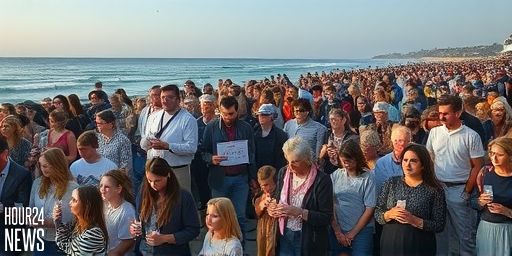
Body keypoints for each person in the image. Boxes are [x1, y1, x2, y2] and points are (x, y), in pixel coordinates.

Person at [426, 95, 485, 255]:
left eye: (446, 113)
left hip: (459, 190)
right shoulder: (434, 133)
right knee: (441, 234)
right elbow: (430, 160)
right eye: (440, 113)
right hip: (438, 189)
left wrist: (466, 192)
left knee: (465, 236)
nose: (441, 117)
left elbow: (477, 166)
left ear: (458, 113)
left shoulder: (471, 136)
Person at [201, 96, 256, 245]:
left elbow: (251, 154)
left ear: (237, 112)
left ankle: (240, 249)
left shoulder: (246, 128)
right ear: (220, 111)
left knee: (240, 217)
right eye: (224, 113)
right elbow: (203, 151)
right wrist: (211, 159)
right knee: (216, 217)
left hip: (240, 179)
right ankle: (217, 249)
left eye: (231, 114)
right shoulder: (211, 127)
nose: (227, 117)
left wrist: (252, 178)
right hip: (219, 179)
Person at [375, 143, 446, 256]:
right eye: (405, 160)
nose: (407, 165)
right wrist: (388, 214)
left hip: (419, 244)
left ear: (423, 164)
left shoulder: (434, 190)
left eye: (413, 161)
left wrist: (414, 220)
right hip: (391, 242)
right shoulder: (391, 183)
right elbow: (378, 212)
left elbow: (439, 225)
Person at [267, 136, 333, 255]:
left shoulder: (322, 180)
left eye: (295, 161)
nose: (290, 166)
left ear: (307, 159)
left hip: (309, 240)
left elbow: (326, 217)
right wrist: (272, 207)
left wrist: (299, 212)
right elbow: (277, 198)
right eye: (288, 161)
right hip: (284, 234)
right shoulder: (283, 172)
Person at [129, 157, 200, 255]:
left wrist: (165, 239)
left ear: (168, 175)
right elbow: (139, 221)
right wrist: (135, 229)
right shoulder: (143, 193)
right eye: (149, 180)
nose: (153, 184)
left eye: (157, 180)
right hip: (145, 251)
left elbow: (193, 230)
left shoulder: (183, 197)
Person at [140, 84, 198, 192]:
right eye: (163, 97)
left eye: (170, 97)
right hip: (154, 169)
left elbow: (191, 148)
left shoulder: (188, 120)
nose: (165, 100)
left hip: (177, 171)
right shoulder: (154, 116)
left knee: (179, 204)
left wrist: (168, 146)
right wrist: (147, 143)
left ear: (178, 100)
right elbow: (145, 139)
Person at [330, 140, 375, 256]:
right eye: (343, 161)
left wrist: (352, 234)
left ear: (357, 158)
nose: (346, 164)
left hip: (362, 231)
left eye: (349, 161)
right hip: (339, 229)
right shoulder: (336, 175)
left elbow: (369, 208)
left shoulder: (368, 177)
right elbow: (330, 203)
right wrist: (337, 231)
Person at [30, 148, 78, 255]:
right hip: (39, 238)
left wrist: (40, 222)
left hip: (60, 242)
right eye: (41, 165)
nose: (42, 169)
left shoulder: (72, 188)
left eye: (46, 166)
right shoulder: (37, 183)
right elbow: (31, 208)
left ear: (57, 164)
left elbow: (68, 221)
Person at [475, 137, 512, 255]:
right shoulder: (485, 173)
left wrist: (507, 212)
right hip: (486, 228)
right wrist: (480, 202)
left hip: (508, 230)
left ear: (510, 156)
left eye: (500, 154)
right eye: (492, 153)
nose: (494, 158)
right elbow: (471, 202)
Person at [54, 185, 109, 255]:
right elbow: (65, 245)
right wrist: (57, 221)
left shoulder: (93, 234)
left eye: (74, 200)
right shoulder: (78, 225)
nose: (70, 203)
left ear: (86, 206)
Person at [0, 137, 32, 255]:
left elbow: (24, 208)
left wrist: (3, 209)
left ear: (5, 153)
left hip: (10, 236)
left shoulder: (22, 175)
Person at [100, 169, 136, 255]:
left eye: (107, 187)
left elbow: (127, 242)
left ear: (118, 189)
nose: (102, 190)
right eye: (101, 185)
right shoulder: (103, 205)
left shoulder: (127, 211)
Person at [191, 94, 216, 211]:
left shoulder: (219, 122)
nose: (204, 109)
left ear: (214, 106)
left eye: (208, 106)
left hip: (216, 159)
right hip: (199, 160)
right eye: (202, 106)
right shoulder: (195, 123)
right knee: (201, 185)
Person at [319, 108, 359, 174]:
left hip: (346, 170)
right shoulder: (328, 135)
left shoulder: (353, 138)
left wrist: (339, 154)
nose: (333, 122)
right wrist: (325, 153)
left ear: (343, 120)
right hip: (330, 169)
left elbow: (356, 157)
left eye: (336, 119)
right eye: (331, 119)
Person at [253, 166, 278, 256]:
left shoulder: (281, 192)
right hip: (263, 229)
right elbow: (257, 213)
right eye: (263, 185)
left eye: (268, 184)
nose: (267, 187)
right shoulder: (260, 195)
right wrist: (262, 204)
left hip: (277, 231)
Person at [254, 104, 288, 170]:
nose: (261, 117)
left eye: (265, 115)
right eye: (259, 115)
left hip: (274, 173)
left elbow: (281, 160)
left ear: (272, 117)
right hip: (257, 173)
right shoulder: (254, 133)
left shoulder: (281, 135)